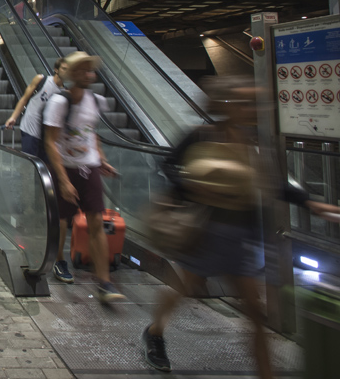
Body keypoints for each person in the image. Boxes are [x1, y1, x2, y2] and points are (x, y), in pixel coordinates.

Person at [141, 75, 340, 376]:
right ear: (226, 105)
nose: (252, 109)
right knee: (185, 287)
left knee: (255, 312)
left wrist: (309, 202)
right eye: (245, 103)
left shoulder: (252, 142)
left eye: (254, 103)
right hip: (205, 230)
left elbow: (273, 184)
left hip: (241, 235)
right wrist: (194, 187)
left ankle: (266, 372)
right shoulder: (202, 135)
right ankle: (155, 332)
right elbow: (168, 165)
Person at [43, 51, 124, 303]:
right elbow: (50, 142)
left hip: (88, 169)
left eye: (90, 70)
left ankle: (105, 283)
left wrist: (101, 159)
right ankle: (59, 261)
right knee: (63, 221)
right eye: (82, 70)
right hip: (65, 168)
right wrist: (64, 180)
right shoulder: (59, 103)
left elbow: (92, 134)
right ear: (72, 74)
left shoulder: (97, 101)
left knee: (96, 222)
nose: (89, 74)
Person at [4, 58, 70, 278]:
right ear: (56, 69)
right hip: (30, 129)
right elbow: (25, 97)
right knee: (33, 169)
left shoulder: (66, 92)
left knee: (46, 171)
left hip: (47, 136)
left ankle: (42, 205)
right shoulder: (42, 80)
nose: (66, 73)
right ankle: (29, 208)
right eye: (64, 69)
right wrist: (14, 116)